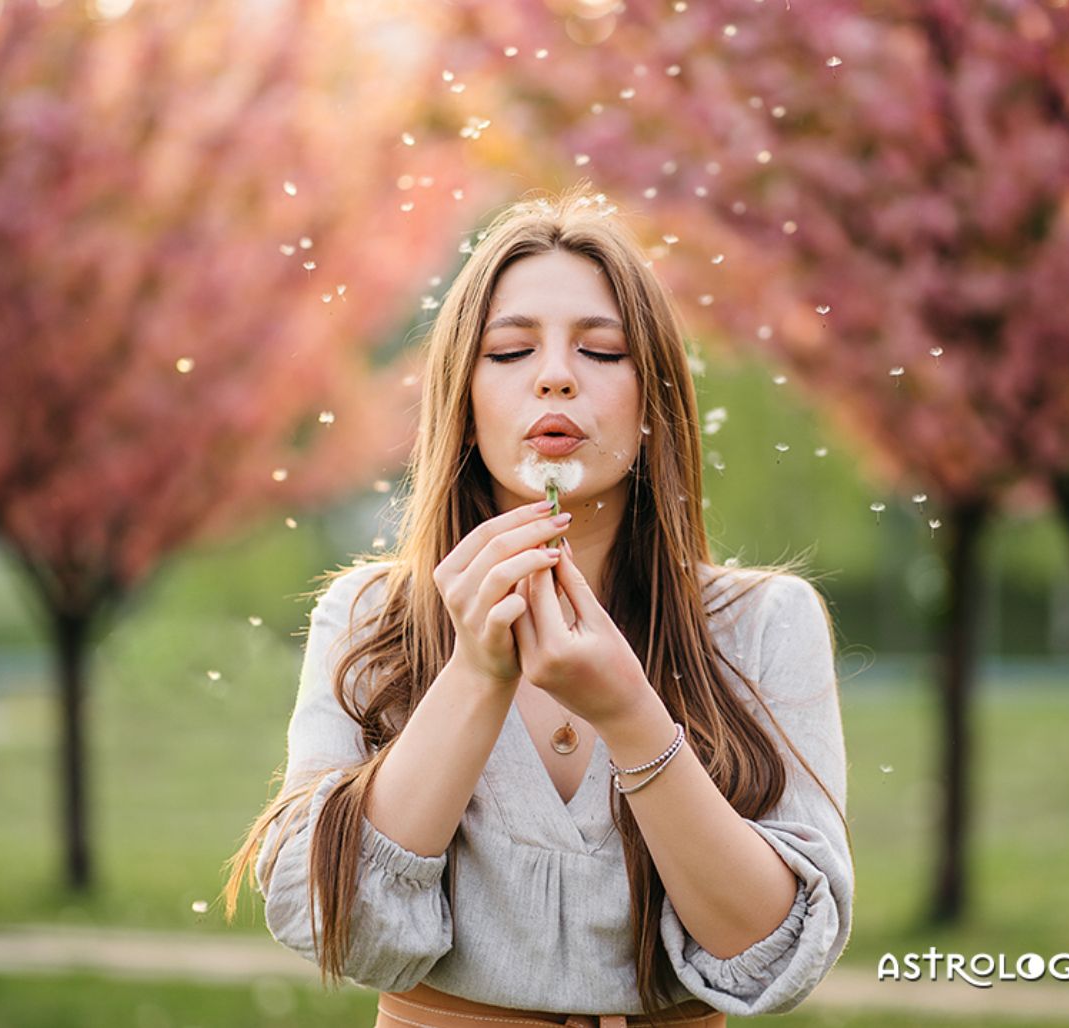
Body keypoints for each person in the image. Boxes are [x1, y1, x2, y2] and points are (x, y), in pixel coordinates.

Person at [222, 183, 854, 1027]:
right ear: (466, 403)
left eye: (603, 352)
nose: (556, 378)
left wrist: (632, 715)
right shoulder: (370, 616)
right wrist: (476, 671)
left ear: (651, 407)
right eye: (511, 352)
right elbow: (336, 925)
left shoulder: (765, 624)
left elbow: (771, 956)